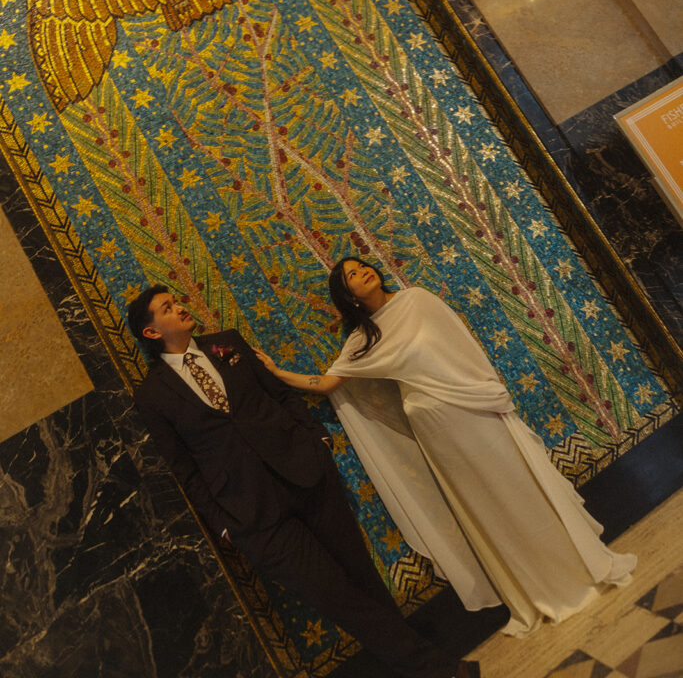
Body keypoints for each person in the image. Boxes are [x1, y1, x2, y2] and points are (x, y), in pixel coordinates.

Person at [255, 258, 637, 638]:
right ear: (348, 297)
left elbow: (462, 346)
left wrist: (485, 389)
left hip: (475, 409)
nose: (362, 272)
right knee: (490, 505)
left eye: (361, 265)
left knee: (520, 488)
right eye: (351, 276)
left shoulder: (416, 300)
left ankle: (576, 570)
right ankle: (538, 588)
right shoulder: (361, 341)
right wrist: (275, 373)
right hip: (437, 430)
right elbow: (326, 384)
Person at [128, 284, 477, 678]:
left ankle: (425, 665)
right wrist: (224, 526)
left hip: (307, 474)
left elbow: (279, 395)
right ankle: (438, 670)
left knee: (363, 577)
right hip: (255, 515)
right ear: (152, 333)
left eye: (177, 301)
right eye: (168, 308)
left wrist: (319, 440)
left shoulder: (227, 344)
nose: (181, 308)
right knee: (336, 597)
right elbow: (183, 468)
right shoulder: (152, 395)